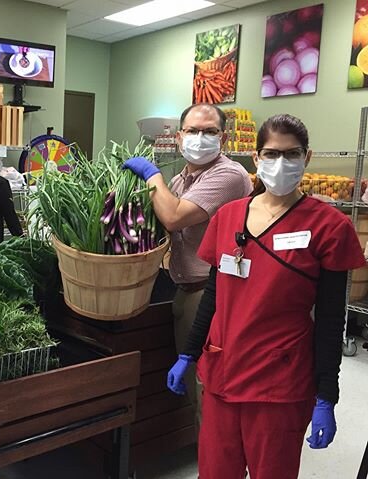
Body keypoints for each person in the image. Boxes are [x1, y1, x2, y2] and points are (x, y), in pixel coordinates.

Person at [167, 114, 366, 479]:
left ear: (307, 158)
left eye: (292, 155)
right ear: (256, 158)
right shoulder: (228, 217)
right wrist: (189, 352)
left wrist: (326, 395)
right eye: (272, 154)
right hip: (223, 373)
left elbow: (330, 318)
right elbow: (214, 293)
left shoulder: (328, 227)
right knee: (215, 472)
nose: (281, 164)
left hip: (280, 384)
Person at [123, 103, 253, 430]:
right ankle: (210, 454)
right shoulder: (181, 179)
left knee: (211, 388)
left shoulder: (229, 174)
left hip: (215, 295)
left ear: (222, 139)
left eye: (209, 132)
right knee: (199, 389)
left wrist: (152, 175)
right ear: (180, 137)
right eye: (193, 131)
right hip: (186, 289)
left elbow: (173, 216)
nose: (200, 138)